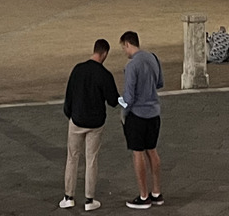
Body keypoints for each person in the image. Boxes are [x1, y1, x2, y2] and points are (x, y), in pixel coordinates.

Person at [60, 37, 119, 210]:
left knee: (72, 157)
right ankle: (89, 200)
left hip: (77, 120)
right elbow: (113, 100)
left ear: (94, 50)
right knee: (91, 159)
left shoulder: (78, 70)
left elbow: (68, 96)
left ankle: (68, 196)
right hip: (95, 123)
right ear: (105, 53)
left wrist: (70, 115)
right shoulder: (104, 74)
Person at [119, 31, 164, 209]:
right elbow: (160, 83)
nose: (125, 51)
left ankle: (143, 196)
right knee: (152, 150)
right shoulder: (153, 58)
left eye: (124, 47)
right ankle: (156, 192)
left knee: (137, 152)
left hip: (137, 115)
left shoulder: (132, 66)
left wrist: (123, 112)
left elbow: (129, 96)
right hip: (154, 113)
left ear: (128, 44)